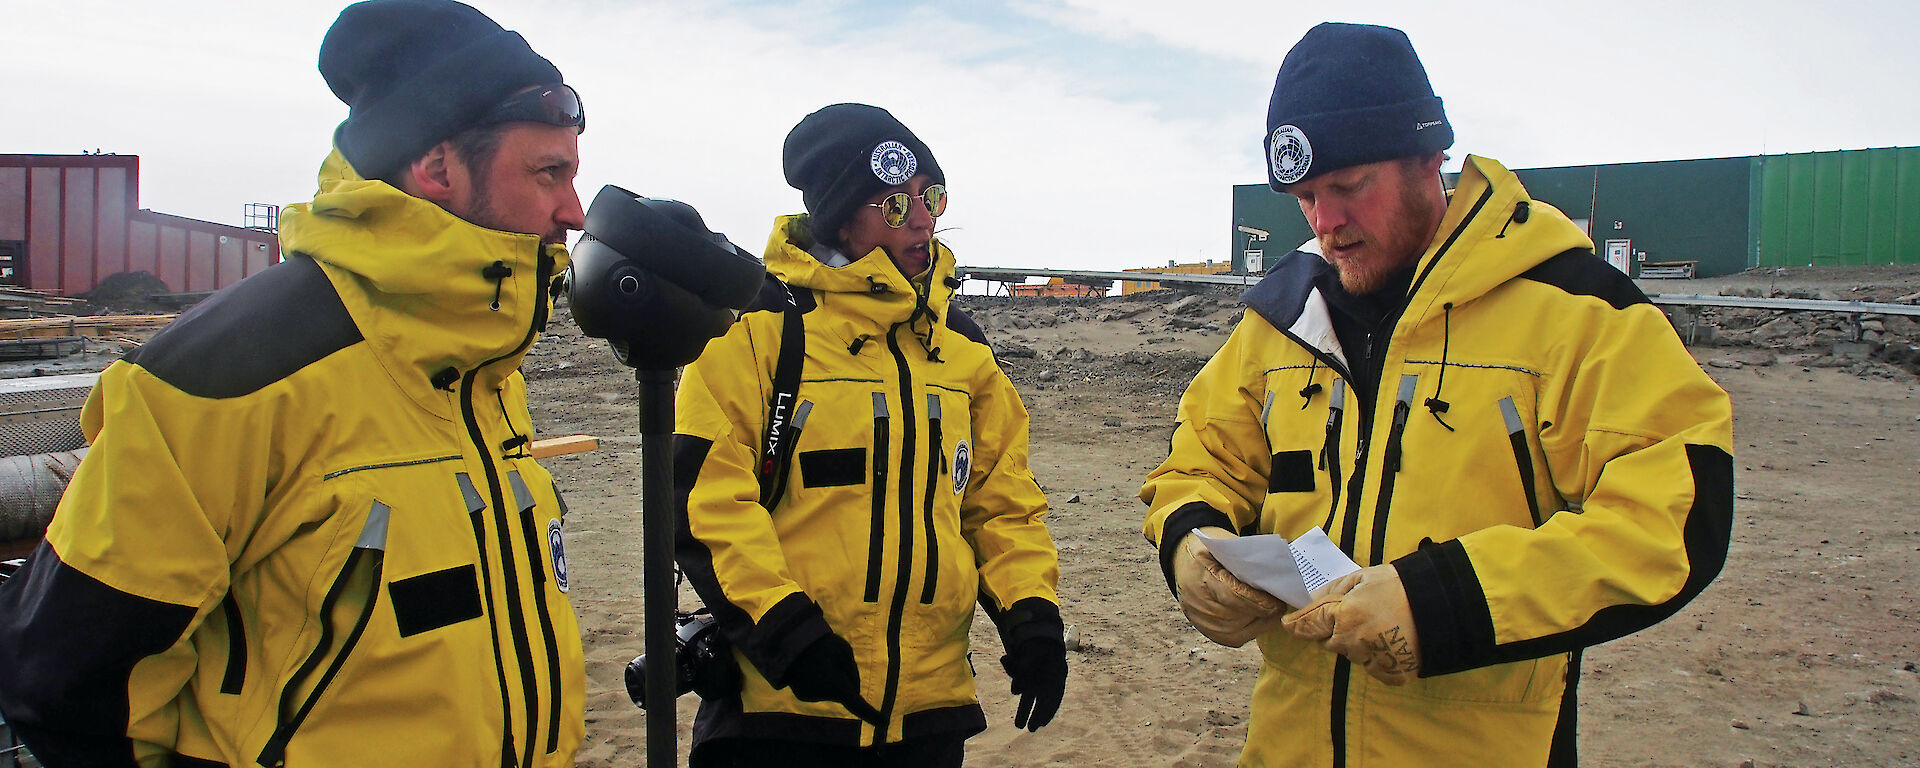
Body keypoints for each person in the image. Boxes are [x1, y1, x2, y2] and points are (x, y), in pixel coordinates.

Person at [0, 1, 589, 765]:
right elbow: (63, 684)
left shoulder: (480, 360)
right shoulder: (223, 379)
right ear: (439, 167)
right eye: (549, 173)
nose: (572, 210)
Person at [1140, 22, 1734, 768]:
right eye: (1306, 198)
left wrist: (1445, 601)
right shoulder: (1283, 318)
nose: (1327, 224)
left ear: (1431, 156)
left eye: (1351, 187)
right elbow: (1199, 460)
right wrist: (1190, 541)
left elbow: (1679, 507)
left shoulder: (1573, 307)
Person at [670, 103, 1067, 767]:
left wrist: (1031, 615)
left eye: (930, 196)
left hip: (926, 718)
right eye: (892, 205)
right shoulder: (761, 335)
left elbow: (1001, 502)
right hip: (780, 716)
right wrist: (786, 630)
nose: (922, 218)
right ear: (839, 216)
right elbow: (707, 503)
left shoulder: (963, 352)